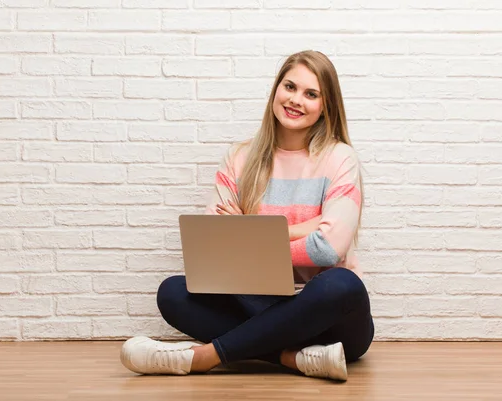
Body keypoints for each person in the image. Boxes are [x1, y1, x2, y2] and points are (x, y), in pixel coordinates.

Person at [120, 50, 374, 381]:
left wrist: (249, 231)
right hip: (255, 303)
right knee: (172, 293)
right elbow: (214, 247)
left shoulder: (340, 158)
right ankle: (293, 358)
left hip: (330, 320)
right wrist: (306, 229)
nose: (296, 100)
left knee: (341, 284)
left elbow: (328, 250)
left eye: (311, 94)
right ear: (276, 90)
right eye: (290, 87)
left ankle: (203, 357)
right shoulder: (240, 158)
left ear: (326, 105)